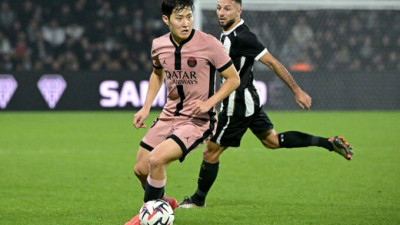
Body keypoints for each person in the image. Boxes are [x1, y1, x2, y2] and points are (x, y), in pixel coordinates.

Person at [179, 0, 354, 208]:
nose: (221, 13)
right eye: (218, 8)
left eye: (227, 8)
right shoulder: (227, 34)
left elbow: (273, 62)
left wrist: (296, 91)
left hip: (238, 105)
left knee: (211, 151)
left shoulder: (243, 36)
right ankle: (328, 142)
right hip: (249, 101)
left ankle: (198, 200)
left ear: (239, 10)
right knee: (272, 141)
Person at [124, 0, 240, 224]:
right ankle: (165, 202)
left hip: (198, 120)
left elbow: (233, 79)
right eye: (179, 18)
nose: (186, 23)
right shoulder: (158, 45)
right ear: (166, 20)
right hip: (169, 114)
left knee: (156, 160)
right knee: (140, 168)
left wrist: (210, 103)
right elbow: (157, 73)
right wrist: (146, 107)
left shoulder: (210, 44)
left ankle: (145, 216)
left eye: (189, 16)